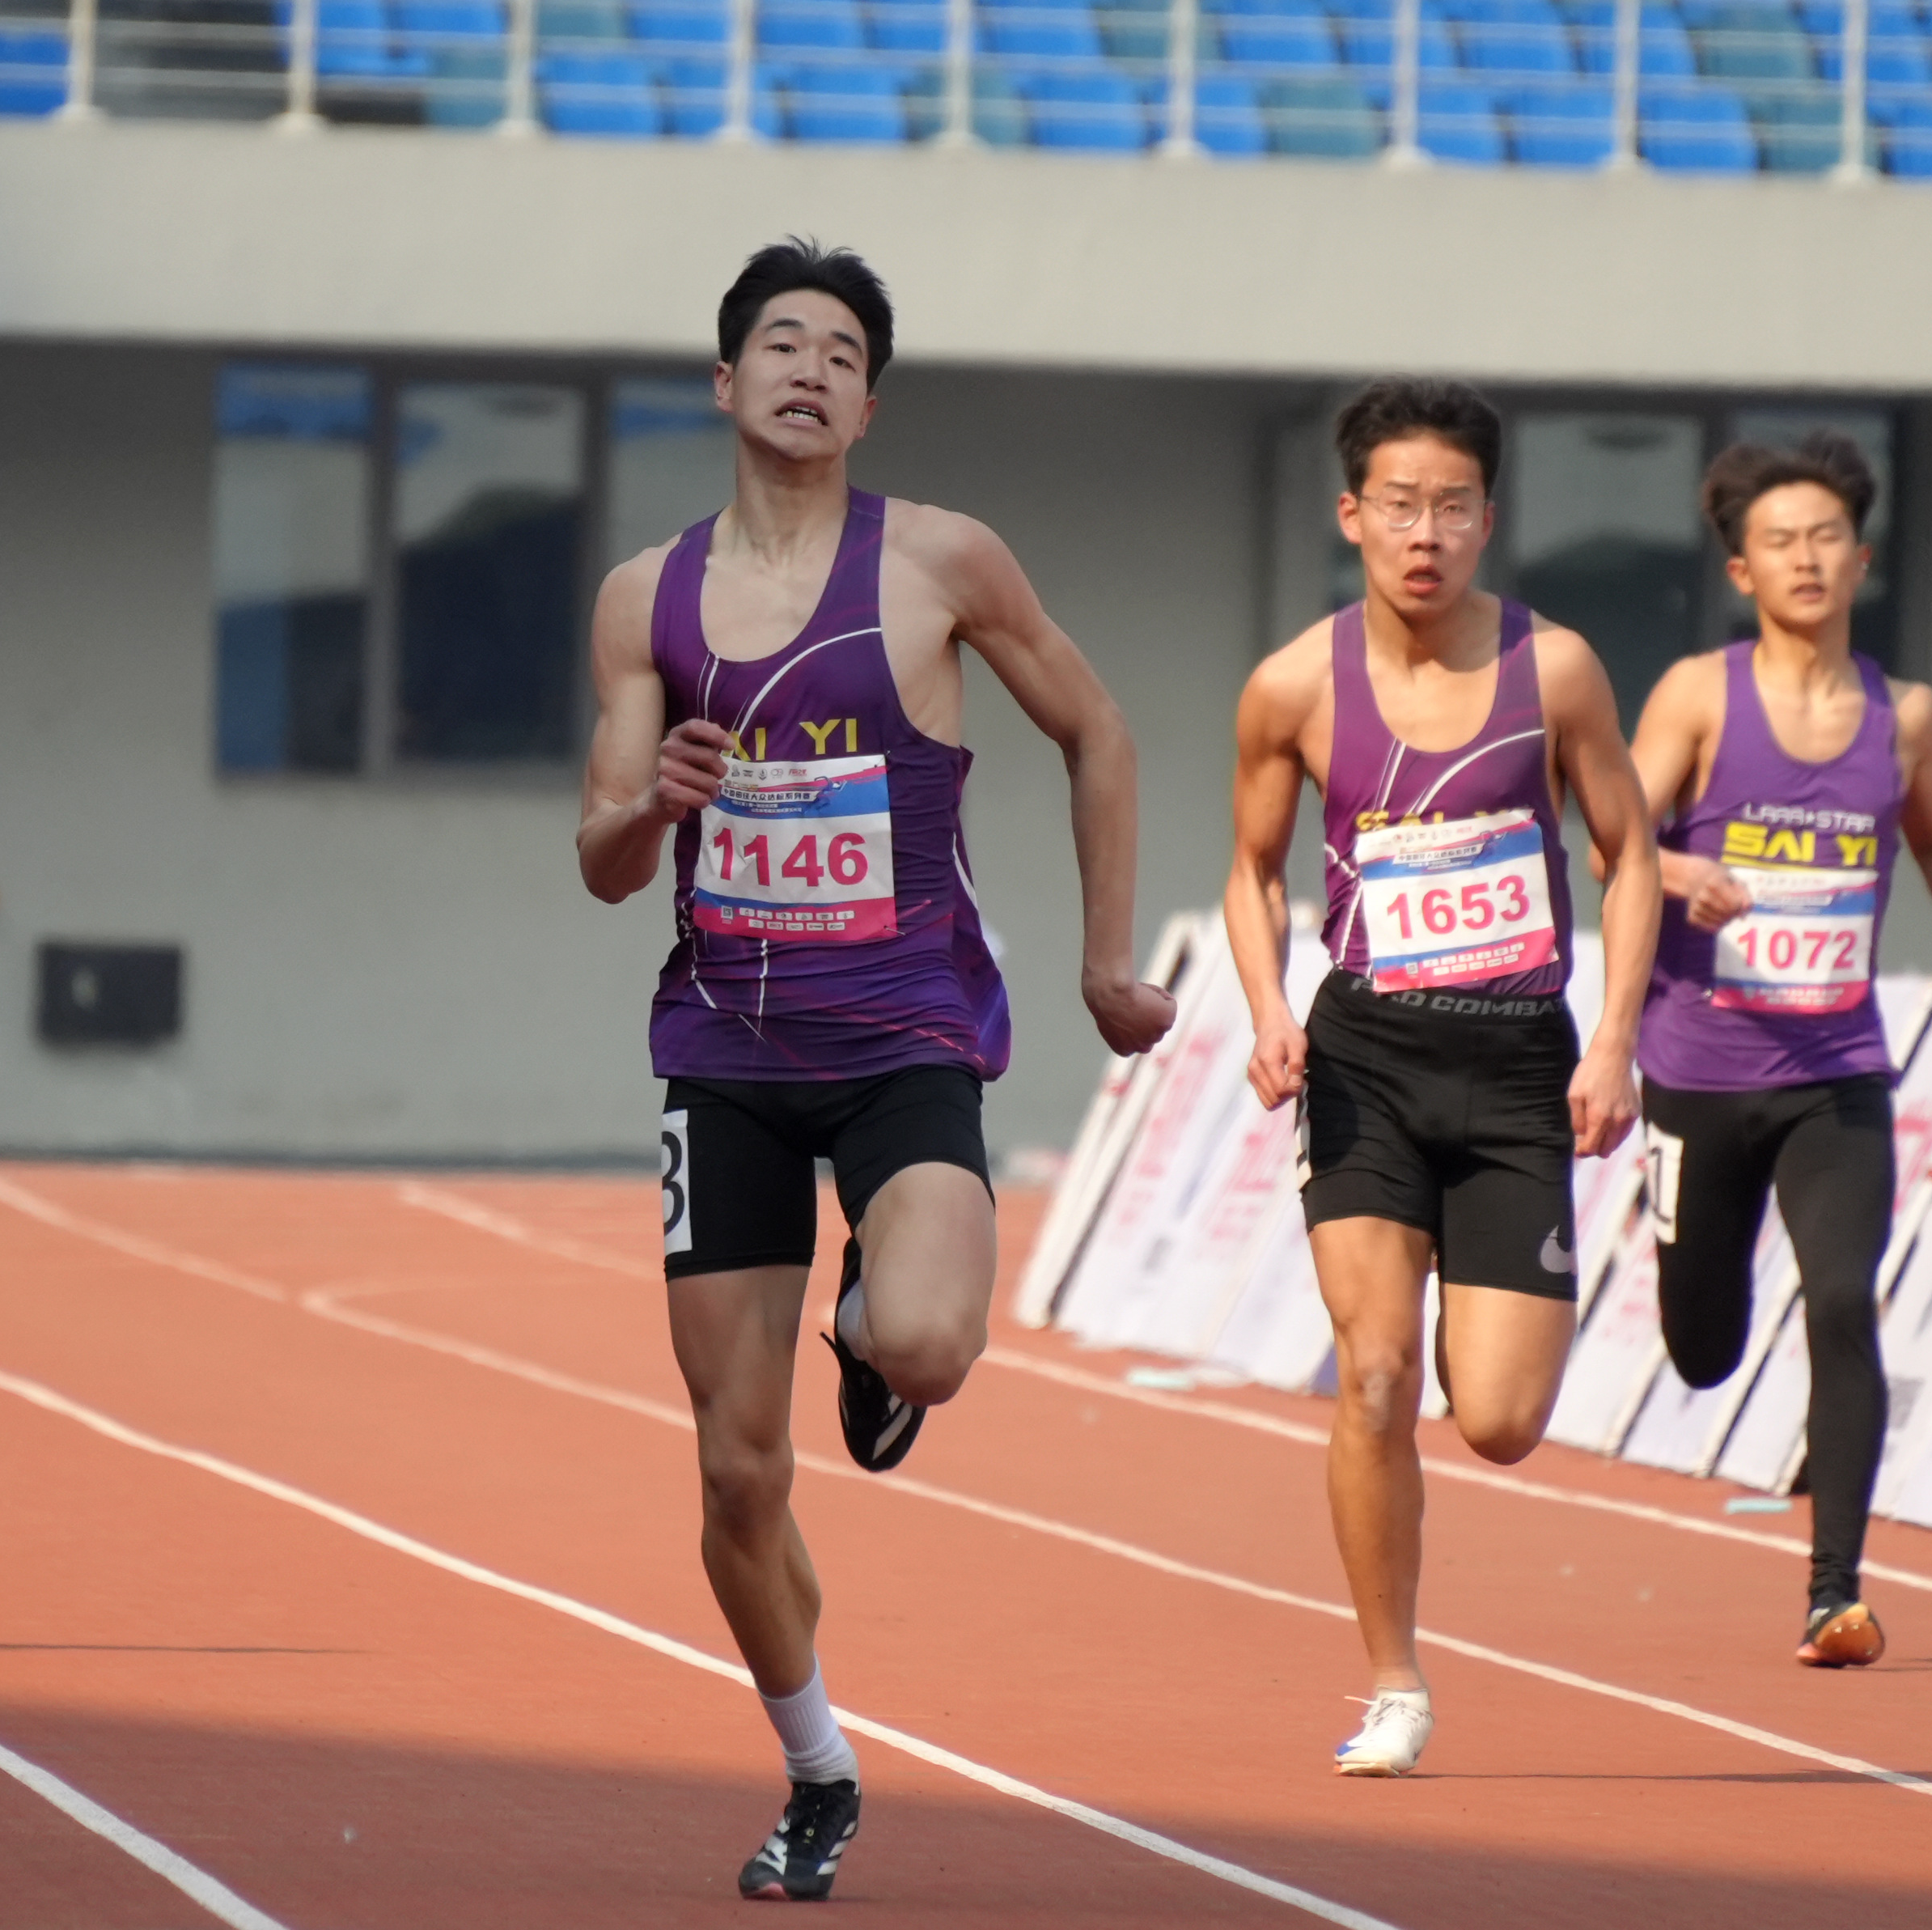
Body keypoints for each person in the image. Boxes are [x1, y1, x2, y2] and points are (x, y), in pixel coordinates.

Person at [575, 239, 1176, 1899]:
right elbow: (602, 861)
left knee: (929, 1341)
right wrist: (655, 800)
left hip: (907, 1031)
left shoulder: (939, 560)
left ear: (868, 406)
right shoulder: (644, 599)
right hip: (726, 1052)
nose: (811, 370)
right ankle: (818, 1767)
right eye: (783, 343)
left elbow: (1100, 730)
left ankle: (864, 1325)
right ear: (727, 382)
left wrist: (1104, 962)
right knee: (736, 1472)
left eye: (843, 354)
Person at [1225, 379, 1659, 1777]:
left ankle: (1413, 1623)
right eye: (1401, 506)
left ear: (1489, 518)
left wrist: (1614, 1039)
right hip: (1367, 1056)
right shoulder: (1294, 685)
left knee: (1502, 1421)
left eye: (1453, 507)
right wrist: (1267, 1007)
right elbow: (1252, 871)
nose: (1426, 535)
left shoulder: (1559, 671)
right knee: (1372, 1373)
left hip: (1519, 1059)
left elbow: (1630, 856)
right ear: (1351, 514)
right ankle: (1393, 1679)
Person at [1624, 431, 1932, 1669]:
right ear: (1743, 570)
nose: (1806, 559)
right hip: (1697, 1069)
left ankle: (1833, 1589)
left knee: (1844, 1300)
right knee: (1704, 1346)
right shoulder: (1698, 694)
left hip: (1836, 1072)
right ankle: (1693, 1272)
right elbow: (1611, 830)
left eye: (1826, 537)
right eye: (1780, 541)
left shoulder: (1905, 716)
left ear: (1862, 559)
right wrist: (1678, 871)